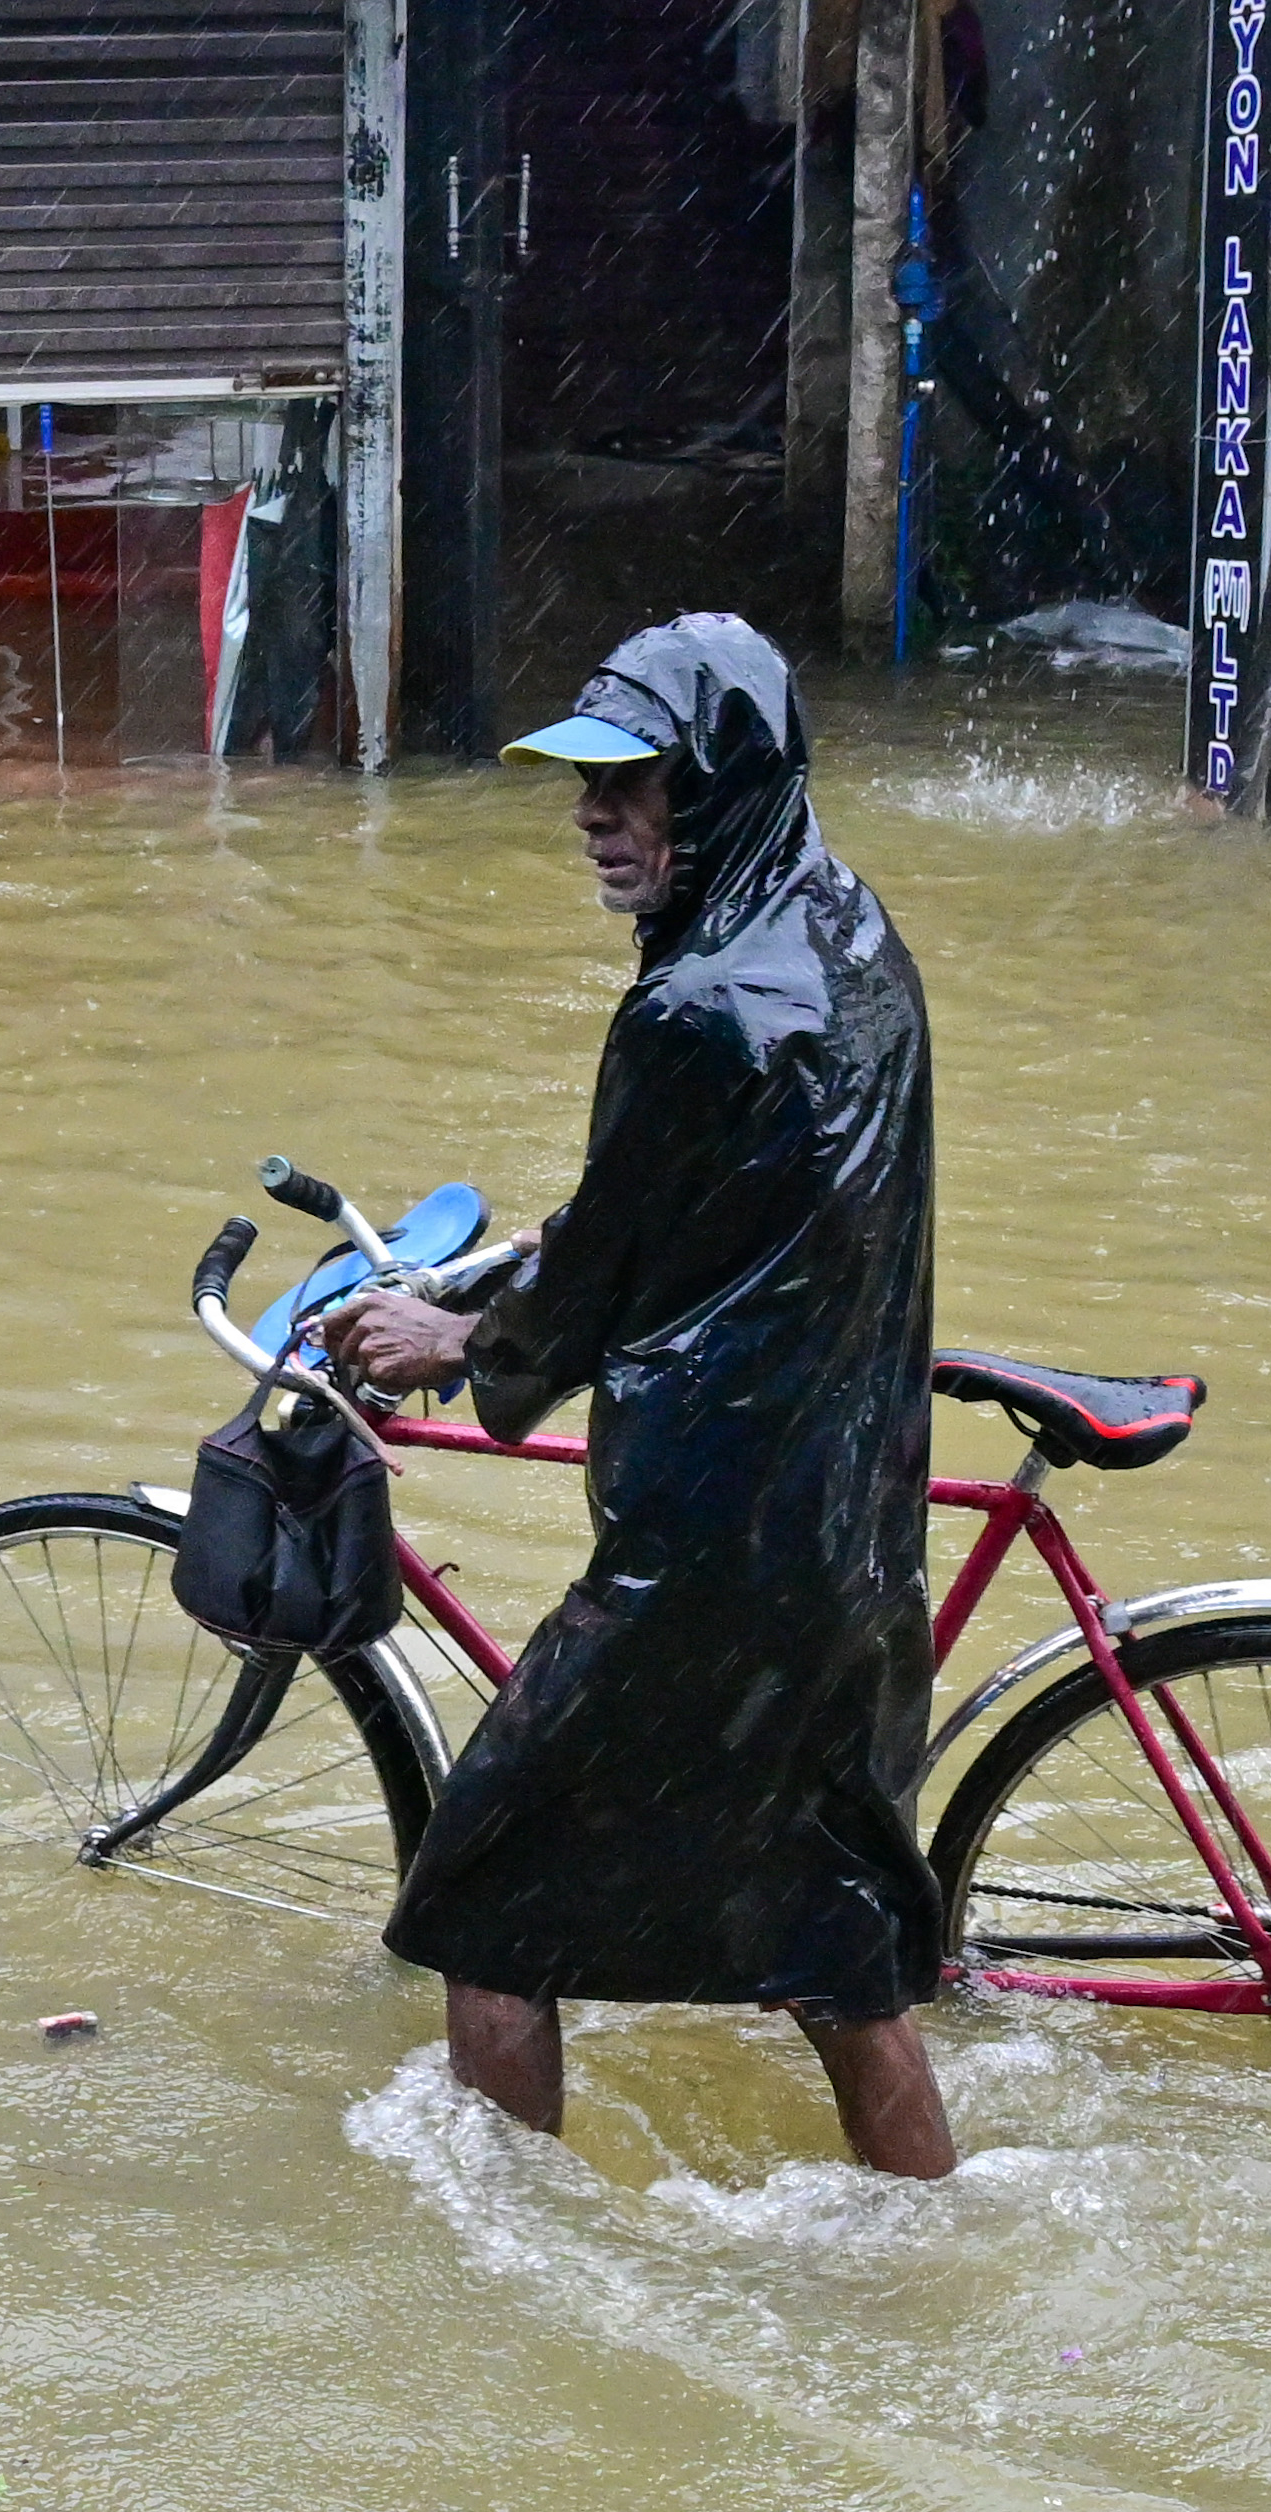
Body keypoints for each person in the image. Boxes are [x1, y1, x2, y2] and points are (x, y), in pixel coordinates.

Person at [312, 616, 959, 2179]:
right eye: (585, 787)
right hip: (844, 1538)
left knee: (483, 1904)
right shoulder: (850, 932)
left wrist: (457, 1340)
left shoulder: (689, 1010)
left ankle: (501, 2276)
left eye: (631, 783)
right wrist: (562, 1249)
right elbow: (703, 1208)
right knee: (839, 1958)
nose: (596, 817)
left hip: (710, 1564)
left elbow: (607, 1269)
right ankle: (931, 2235)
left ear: (716, 784)